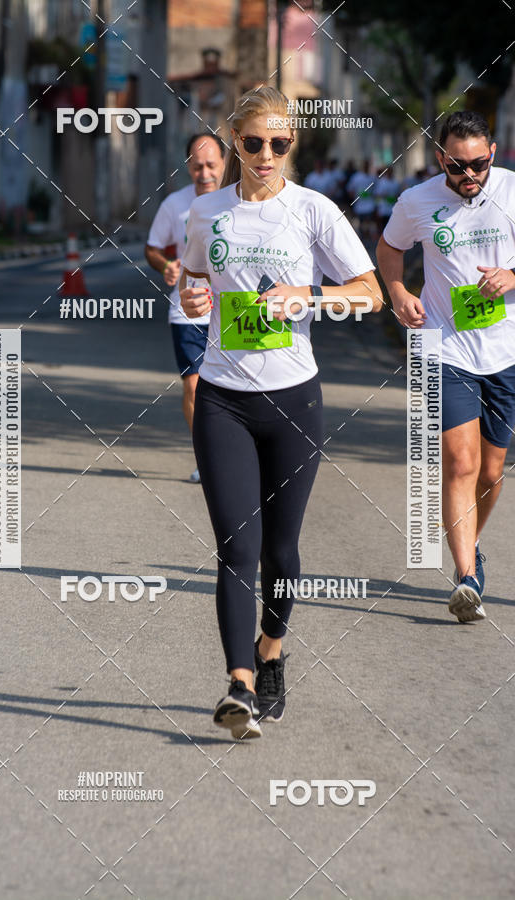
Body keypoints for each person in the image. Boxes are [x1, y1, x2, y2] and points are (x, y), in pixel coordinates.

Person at [179, 86, 382, 739]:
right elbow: (189, 278)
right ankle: (238, 684)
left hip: (295, 400)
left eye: (280, 143)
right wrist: (192, 295)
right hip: (222, 400)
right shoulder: (205, 214)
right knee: (237, 546)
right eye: (253, 143)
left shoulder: (313, 211)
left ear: (292, 144)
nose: (267, 155)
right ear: (234, 141)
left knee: (283, 552)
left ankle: (271, 650)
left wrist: (311, 295)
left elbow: (371, 294)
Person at [376, 110, 515, 623]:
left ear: (492, 155)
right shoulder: (417, 201)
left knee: (493, 469)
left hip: (506, 351)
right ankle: (465, 577)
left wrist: (512, 275)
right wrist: (397, 292)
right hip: (444, 346)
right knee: (460, 462)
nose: (469, 175)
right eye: (458, 166)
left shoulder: (512, 191)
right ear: (440, 158)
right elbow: (389, 248)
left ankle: (471, 544)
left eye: (478, 163)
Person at [145, 133, 226, 482]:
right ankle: (207, 460)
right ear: (188, 168)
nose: (204, 173)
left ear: (224, 164)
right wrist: (165, 265)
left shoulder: (239, 201)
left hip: (233, 309)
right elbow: (152, 248)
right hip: (187, 309)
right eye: (197, 167)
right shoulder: (174, 205)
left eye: (211, 165)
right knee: (194, 386)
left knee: (230, 388)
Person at [347, 160, 376, 238]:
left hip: (370, 203)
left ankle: (368, 236)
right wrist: (353, 199)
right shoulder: (356, 177)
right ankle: (363, 236)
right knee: (361, 221)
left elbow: (376, 189)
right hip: (359, 204)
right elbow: (350, 189)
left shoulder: (372, 177)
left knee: (369, 221)